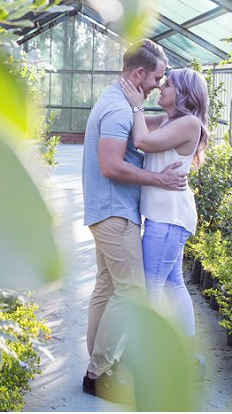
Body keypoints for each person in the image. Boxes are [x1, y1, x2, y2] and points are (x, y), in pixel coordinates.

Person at [81, 39, 187, 400]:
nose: (160, 84)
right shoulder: (118, 110)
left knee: (107, 288)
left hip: (105, 211)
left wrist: (174, 117)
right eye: (157, 77)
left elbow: (148, 127)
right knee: (132, 292)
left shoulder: (121, 103)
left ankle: (97, 364)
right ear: (139, 73)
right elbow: (111, 165)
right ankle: (98, 373)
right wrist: (161, 179)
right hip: (115, 212)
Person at [118, 67, 209, 346]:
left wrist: (135, 105)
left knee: (152, 287)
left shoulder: (189, 123)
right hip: (167, 216)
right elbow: (139, 123)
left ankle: (151, 356)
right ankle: (187, 353)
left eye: (167, 85)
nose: (160, 88)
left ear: (182, 93)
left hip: (168, 218)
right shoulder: (170, 120)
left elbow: (141, 139)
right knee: (173, 282)